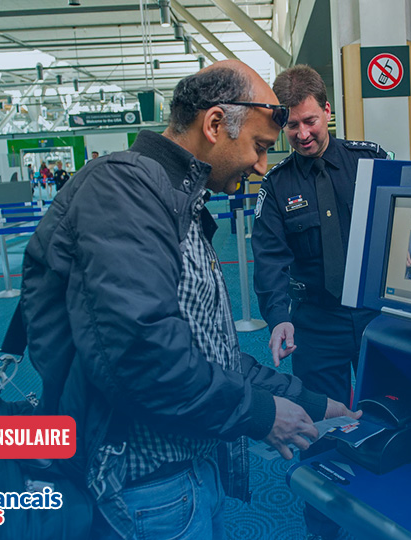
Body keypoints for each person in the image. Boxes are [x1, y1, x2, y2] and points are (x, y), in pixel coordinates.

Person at [19, 60, 359, 540]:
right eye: (260, 147)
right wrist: (262, 415)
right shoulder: (123, 191)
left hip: (188, 474)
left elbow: (210, 350)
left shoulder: (174, 201)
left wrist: (310, 401)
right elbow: (142, 354)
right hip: (144, 489)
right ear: (215, 124)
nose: (263, 165)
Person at [251, 64, 387, 540]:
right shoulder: (277, 185)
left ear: (328, 110)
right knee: (320, 428)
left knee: (391, 415)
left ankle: (392, 514)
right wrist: (278, 319)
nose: (302, 134)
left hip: (379, 319)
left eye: (310, 120)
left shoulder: (371, 161)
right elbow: (269, 259)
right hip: (317, 324)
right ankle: (324, 528)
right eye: (291, 125)